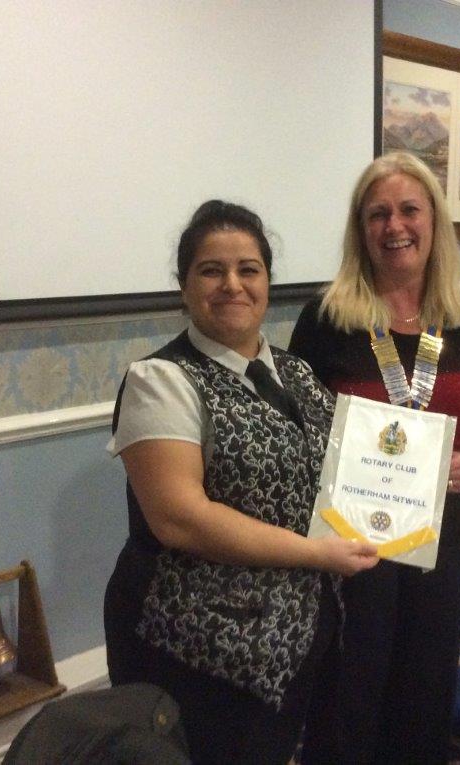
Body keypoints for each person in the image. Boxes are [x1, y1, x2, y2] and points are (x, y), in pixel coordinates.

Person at [103, 200, 378, 765]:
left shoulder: (296, 371)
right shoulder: (161, 381)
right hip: (197, 643)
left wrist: (422, 481)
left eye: (248, 269)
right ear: (184, 286)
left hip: (297, 628)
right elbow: (181, 518)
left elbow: (341, 468)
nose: (233, 284)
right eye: (211, 270)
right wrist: (315, 555)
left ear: (267, 282)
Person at [289, 151, 460, 764]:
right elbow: (296, 433)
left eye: (409, 210)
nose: (395, 226)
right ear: (360, 230)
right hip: (351, 541)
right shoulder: (325, 320)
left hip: (442, 533)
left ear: (434, 222)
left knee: (425, 682)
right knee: (349, 681)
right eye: (378, 214)